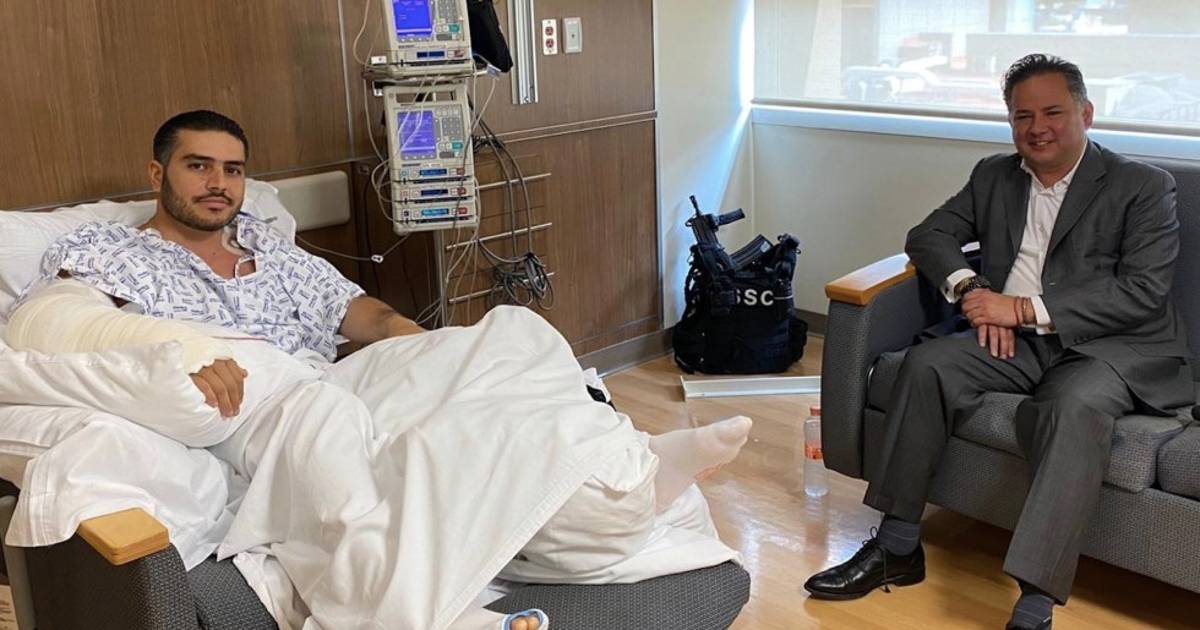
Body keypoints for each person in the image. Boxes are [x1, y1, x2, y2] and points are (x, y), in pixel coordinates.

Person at [5, 110, 752, 630]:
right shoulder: (110, 251)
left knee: (511, 335)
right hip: (258, 399)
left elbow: (366, 315)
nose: (218, 183)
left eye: (232, 170)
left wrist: (433, 355)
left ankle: (614, 475)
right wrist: (184, 360)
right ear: (158, 173)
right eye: (198, 166)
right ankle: (431, 600)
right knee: (339, 424)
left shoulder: (268, 249)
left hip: (339, 375)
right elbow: (60, 328)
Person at [803, 54, 1191, 630]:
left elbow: (1142, 290)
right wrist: (973, 289)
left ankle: (1035, 604)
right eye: (1022, 116)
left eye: (1053, 112)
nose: (1037, 129)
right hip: (1014, 341)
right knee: (926, 365)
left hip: (1108, 348)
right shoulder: (995, 175)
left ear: (1085, 113)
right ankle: (897, 545)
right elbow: (929, 235)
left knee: (1070, 407)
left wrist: (1021, 308)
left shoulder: (1142, 185)